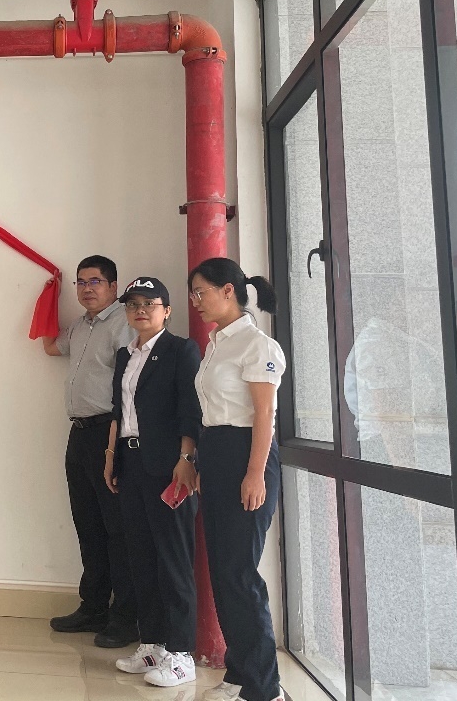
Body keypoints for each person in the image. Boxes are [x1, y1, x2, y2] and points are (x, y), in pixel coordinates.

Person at [188, 257, 287, 701]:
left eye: (202, 292)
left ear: (228, 290)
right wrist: (200, 462)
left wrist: (254, 474)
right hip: (216, 454)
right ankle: (240, 673)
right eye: (193, 294)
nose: (196, 301)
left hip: (247, 455)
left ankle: (264, 687)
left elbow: (264, 414)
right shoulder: (216, 344)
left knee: (240, 573)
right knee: (223, 571)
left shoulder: (257, 345)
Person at [106, 277, 202, 686]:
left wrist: (186, 459)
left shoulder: (181, 350)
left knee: (173, 559)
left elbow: (191, 409)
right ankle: (153, 645)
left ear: (167, 310)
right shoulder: (124, 355)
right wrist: (110, 456)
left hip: (168, 466)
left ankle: (181, 654)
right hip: (130, 462)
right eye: (133, 304)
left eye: (150, 303)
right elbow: (119, 410)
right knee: (141, 556)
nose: (140, 310)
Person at [40, 255, 138, 648]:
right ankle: (93, 607)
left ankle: (125, 617)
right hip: (79, 434)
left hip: (109, 435)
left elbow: (130, 386)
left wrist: (114, 445)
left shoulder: (124, 324)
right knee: (88, 525)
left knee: (117, 529)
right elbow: (51, 347)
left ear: (113, 286)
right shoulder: (81, 327)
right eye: (81, 282)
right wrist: (46, 301)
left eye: (95, 281)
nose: (87, 289)